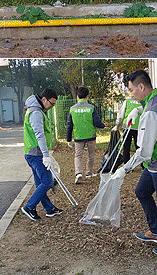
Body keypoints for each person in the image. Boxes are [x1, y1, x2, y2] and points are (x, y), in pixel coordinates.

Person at [112, 70, 157, 257]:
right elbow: (151, 109)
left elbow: (144, 152)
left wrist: (124, 169)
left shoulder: (151, 113)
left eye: (131, 90)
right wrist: (137, 110)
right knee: (142, 192)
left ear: (141, 87)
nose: (131, 94)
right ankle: (156, 232)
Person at [20, 88, 63, 221]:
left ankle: (49, 209)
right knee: (47, 181)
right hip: (36, 154)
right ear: (44, 99)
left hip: (31, 153)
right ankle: (29, 207)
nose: (52, 107)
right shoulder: (36, 113)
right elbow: (39, 135)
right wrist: (46, 155)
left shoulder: (35, 109)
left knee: (40, 183)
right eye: (51, 103)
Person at [66, 86, 105, 184]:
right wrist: (103, 125)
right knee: (91, 155)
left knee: (78, 156)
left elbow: (69, 125)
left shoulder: (72, 109)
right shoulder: (91, 108)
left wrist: (68, 139)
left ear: (78, 96)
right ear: (87, 96)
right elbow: (97, 122)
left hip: (78, 137)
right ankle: (88, 173)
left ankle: (78, 173)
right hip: (90, 135)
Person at [114, 96, 143, 165]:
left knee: (126, 147)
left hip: (127, 126)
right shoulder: (143, 102)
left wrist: (117, 126)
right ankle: (142, 165)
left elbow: (121, 116)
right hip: (138, 127)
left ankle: (127, 164)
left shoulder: (127, 101)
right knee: (139, 147)